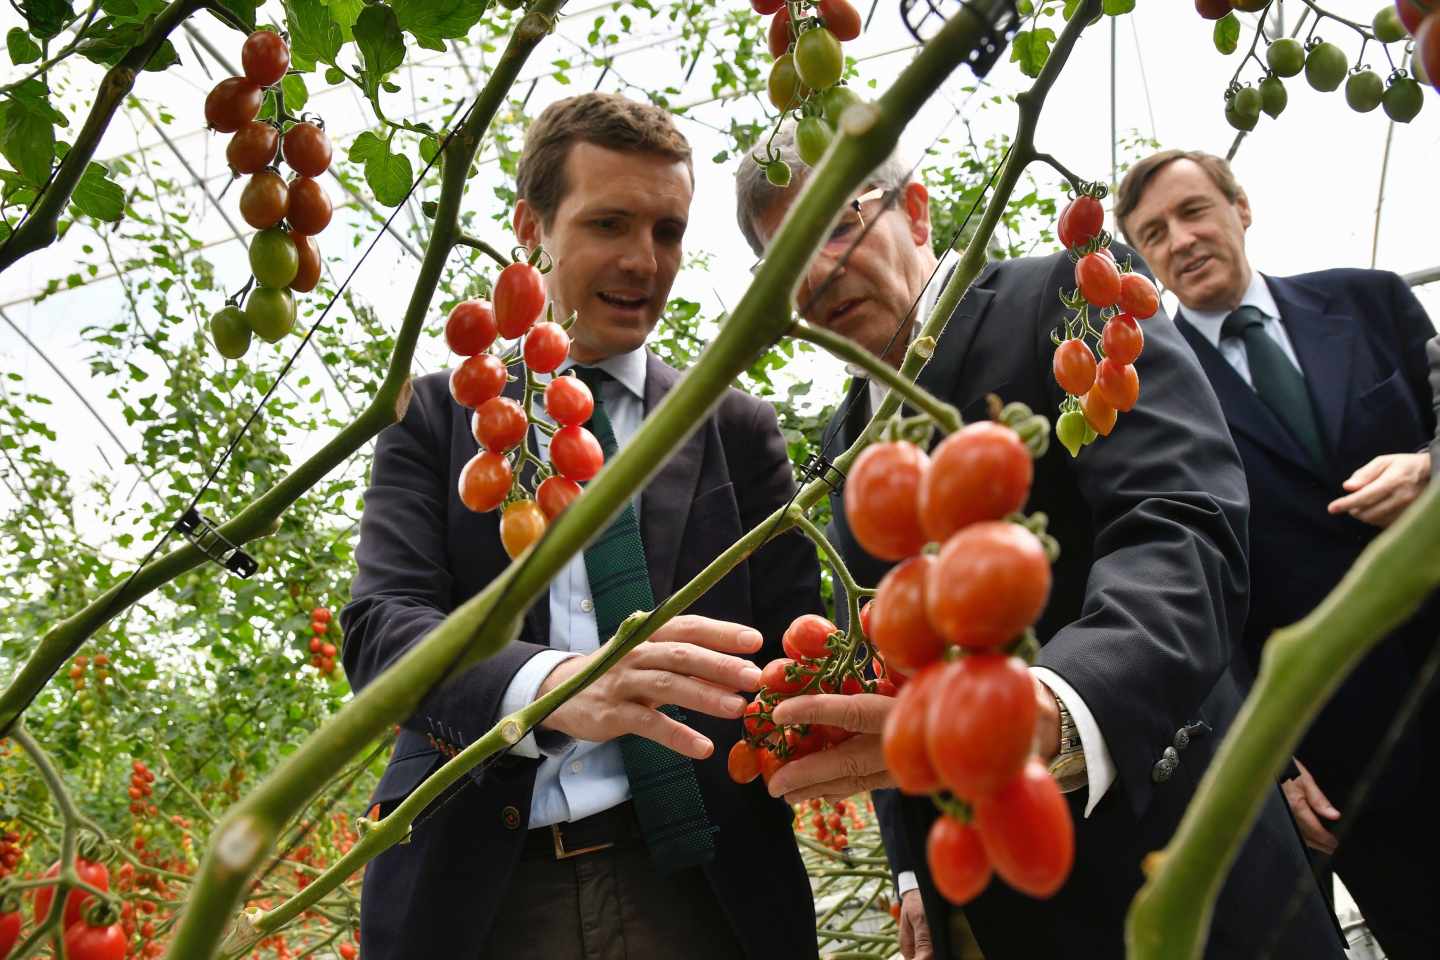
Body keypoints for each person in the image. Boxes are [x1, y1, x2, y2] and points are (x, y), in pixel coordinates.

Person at [732, 127, 1344, 960]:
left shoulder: (1066, 296)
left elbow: (1179, 520)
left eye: (836, 227)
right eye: (783, 258)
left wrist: (1065, 704)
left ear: (915, 211)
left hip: (1183, 864)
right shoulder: (842, 448)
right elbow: (883, 662)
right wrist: (914, 871)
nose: (814, 273)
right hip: (996, 906)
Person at [341, 93, 824, 960]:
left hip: (701, 889)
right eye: (609, 223)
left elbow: (786, 659)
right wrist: (555, 685)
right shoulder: (439, 418)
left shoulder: (734, 428)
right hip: (480, 897)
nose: (644, 261)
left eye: (668, 232)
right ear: (531, 227)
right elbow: (382, 633)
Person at [1116, 148, 1440, 960]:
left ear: (1241, 207)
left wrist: (1434, 471)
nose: (1181, 239)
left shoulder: (1370, 302)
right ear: (1143, 263)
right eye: (1154, 234)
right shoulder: (1154, 403)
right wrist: (1269, 759)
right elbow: (1190, 593)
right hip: (1347, 761)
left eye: (1194, 211)